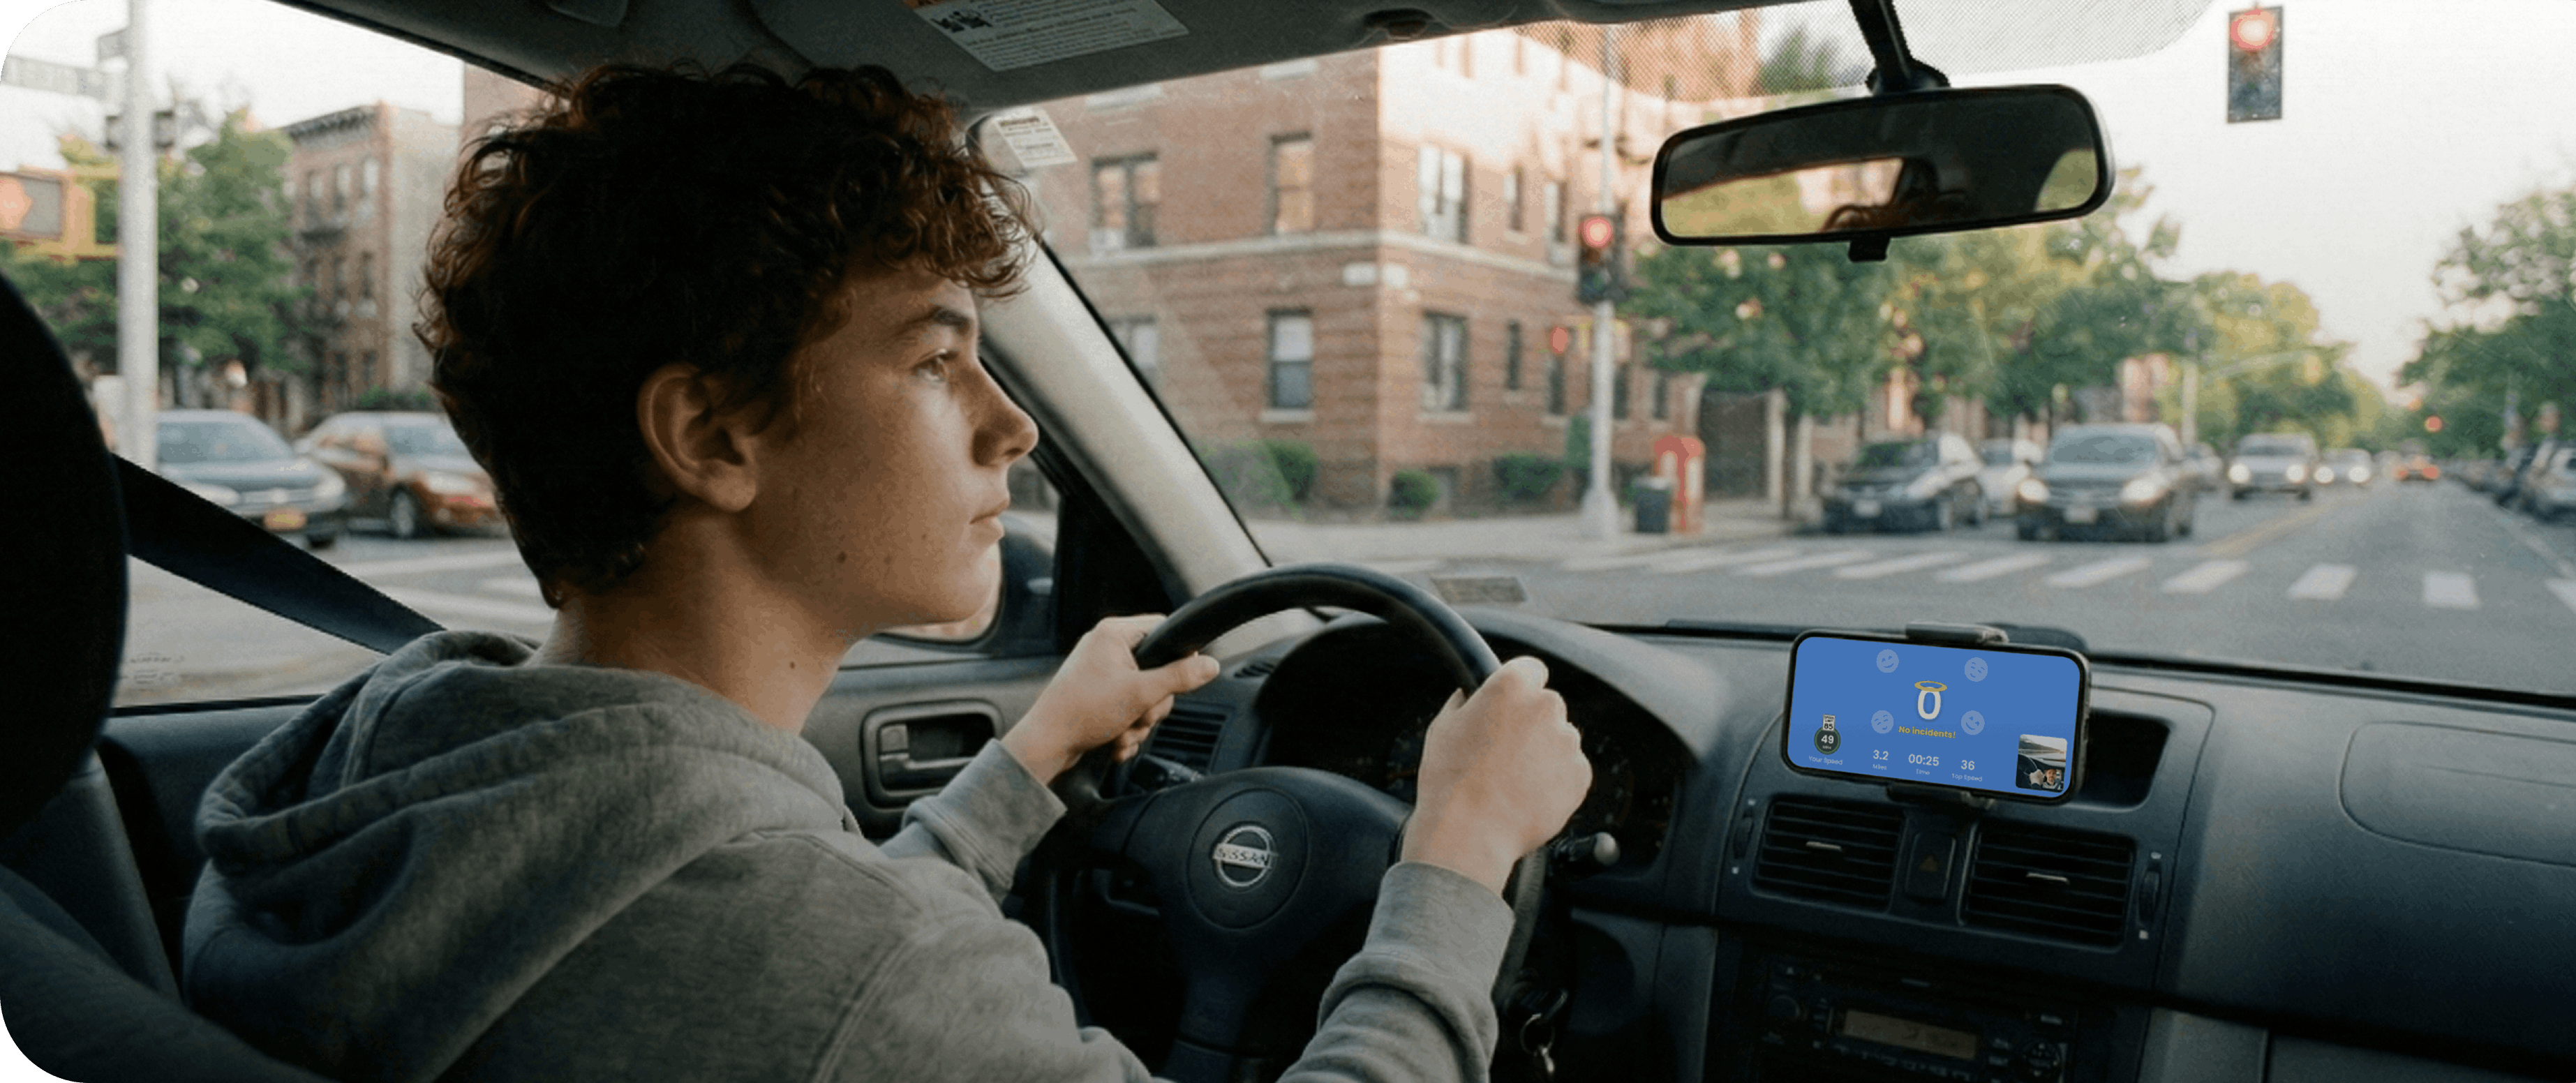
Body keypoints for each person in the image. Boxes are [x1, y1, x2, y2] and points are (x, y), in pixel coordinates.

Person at [181, 62, 1591, 1082]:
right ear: (712, 434)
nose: (1013, 421)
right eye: (934, 356)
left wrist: (1031, 760)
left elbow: (782, 953)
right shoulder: (825, 965)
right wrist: (1457, 858)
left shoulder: (370, 788)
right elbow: (829, 969)